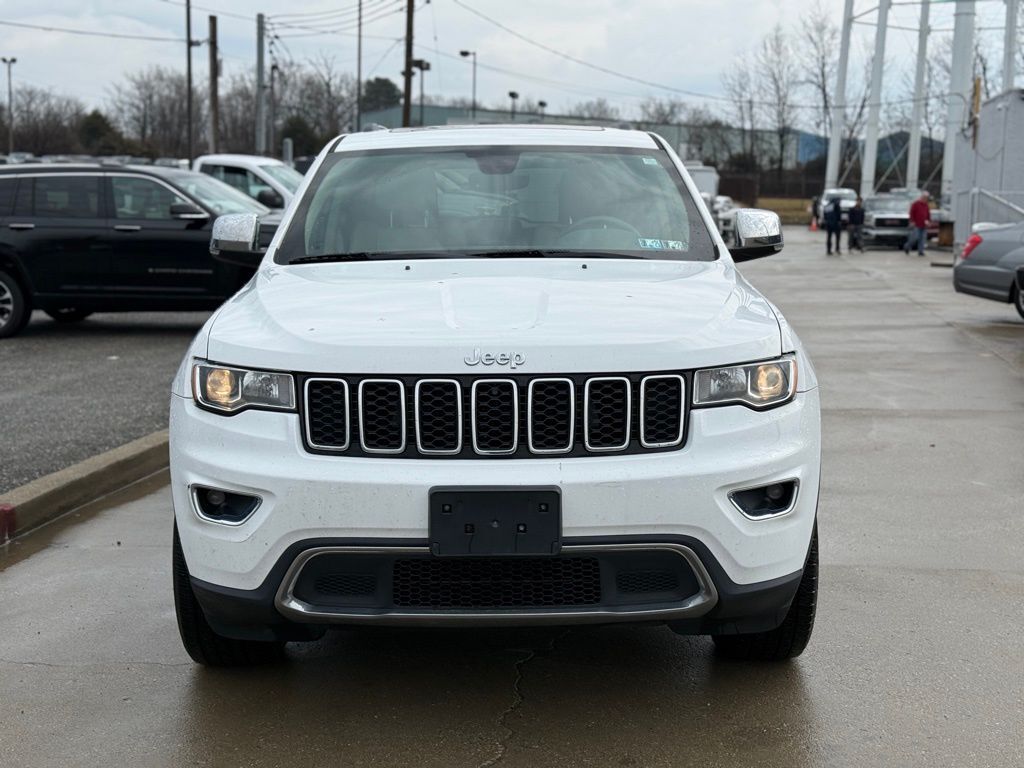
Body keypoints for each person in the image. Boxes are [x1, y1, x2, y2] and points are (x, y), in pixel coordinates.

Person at [903, 191, 932, 256]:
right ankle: (907, 246)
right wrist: (912, 221)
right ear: (921, 197)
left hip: (924, 225)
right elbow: (911, 213)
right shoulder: (915, 204)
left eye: (926, 198)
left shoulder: (926, 205)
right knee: (915, 238)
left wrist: (929, 221)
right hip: (916, 224)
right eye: (924, 197)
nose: (925, 199)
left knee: (922, 238)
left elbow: (928, 214)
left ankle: (920, 251)